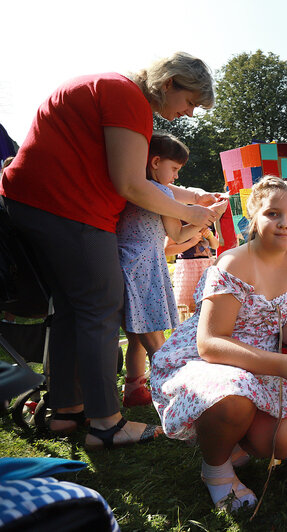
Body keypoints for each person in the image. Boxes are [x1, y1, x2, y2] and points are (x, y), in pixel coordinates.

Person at [0, 52, 220, 450]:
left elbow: (136, 178)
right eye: (189, 102)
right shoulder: (127, 98)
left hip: (40, 202)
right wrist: (188, 211)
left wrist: (188, 198)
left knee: (72, 306)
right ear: (169, 82)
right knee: (101, 304)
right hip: (67, 208)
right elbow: (132, 184)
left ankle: (66, 410)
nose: (188, 113)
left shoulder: (112, 90)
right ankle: (106, 423)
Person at [150, 177, 287, 511]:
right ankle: (216, 469)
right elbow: (210, 343)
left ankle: (227, 440)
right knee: (233, 399)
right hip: (213, 358)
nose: (284, 223)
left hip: (261, 358)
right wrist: (282, 365)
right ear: (254, 217)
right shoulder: (234, 262)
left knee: (285, 440)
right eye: (273, 213)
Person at [118, 132, 227, 408]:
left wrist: (201, 214)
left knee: (135, 336)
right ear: (155, 162)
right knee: (155, 340)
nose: (176, 176)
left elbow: (179, 227)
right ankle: (177, 390)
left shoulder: (131, 186)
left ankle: (134, 387)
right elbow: (177, 235)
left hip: (124, 261)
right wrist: (210, 217)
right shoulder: (161, 193)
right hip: (144, 266)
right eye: (175, 169)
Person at [166, 224, 220, 314]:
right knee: (188, 306)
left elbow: (215, 246)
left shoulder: (202, 222)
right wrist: (191, 242)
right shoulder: (178, 224)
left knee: (208, 301)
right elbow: (167, 250)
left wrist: (210, 236)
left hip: (206, 265)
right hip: (188, 267)